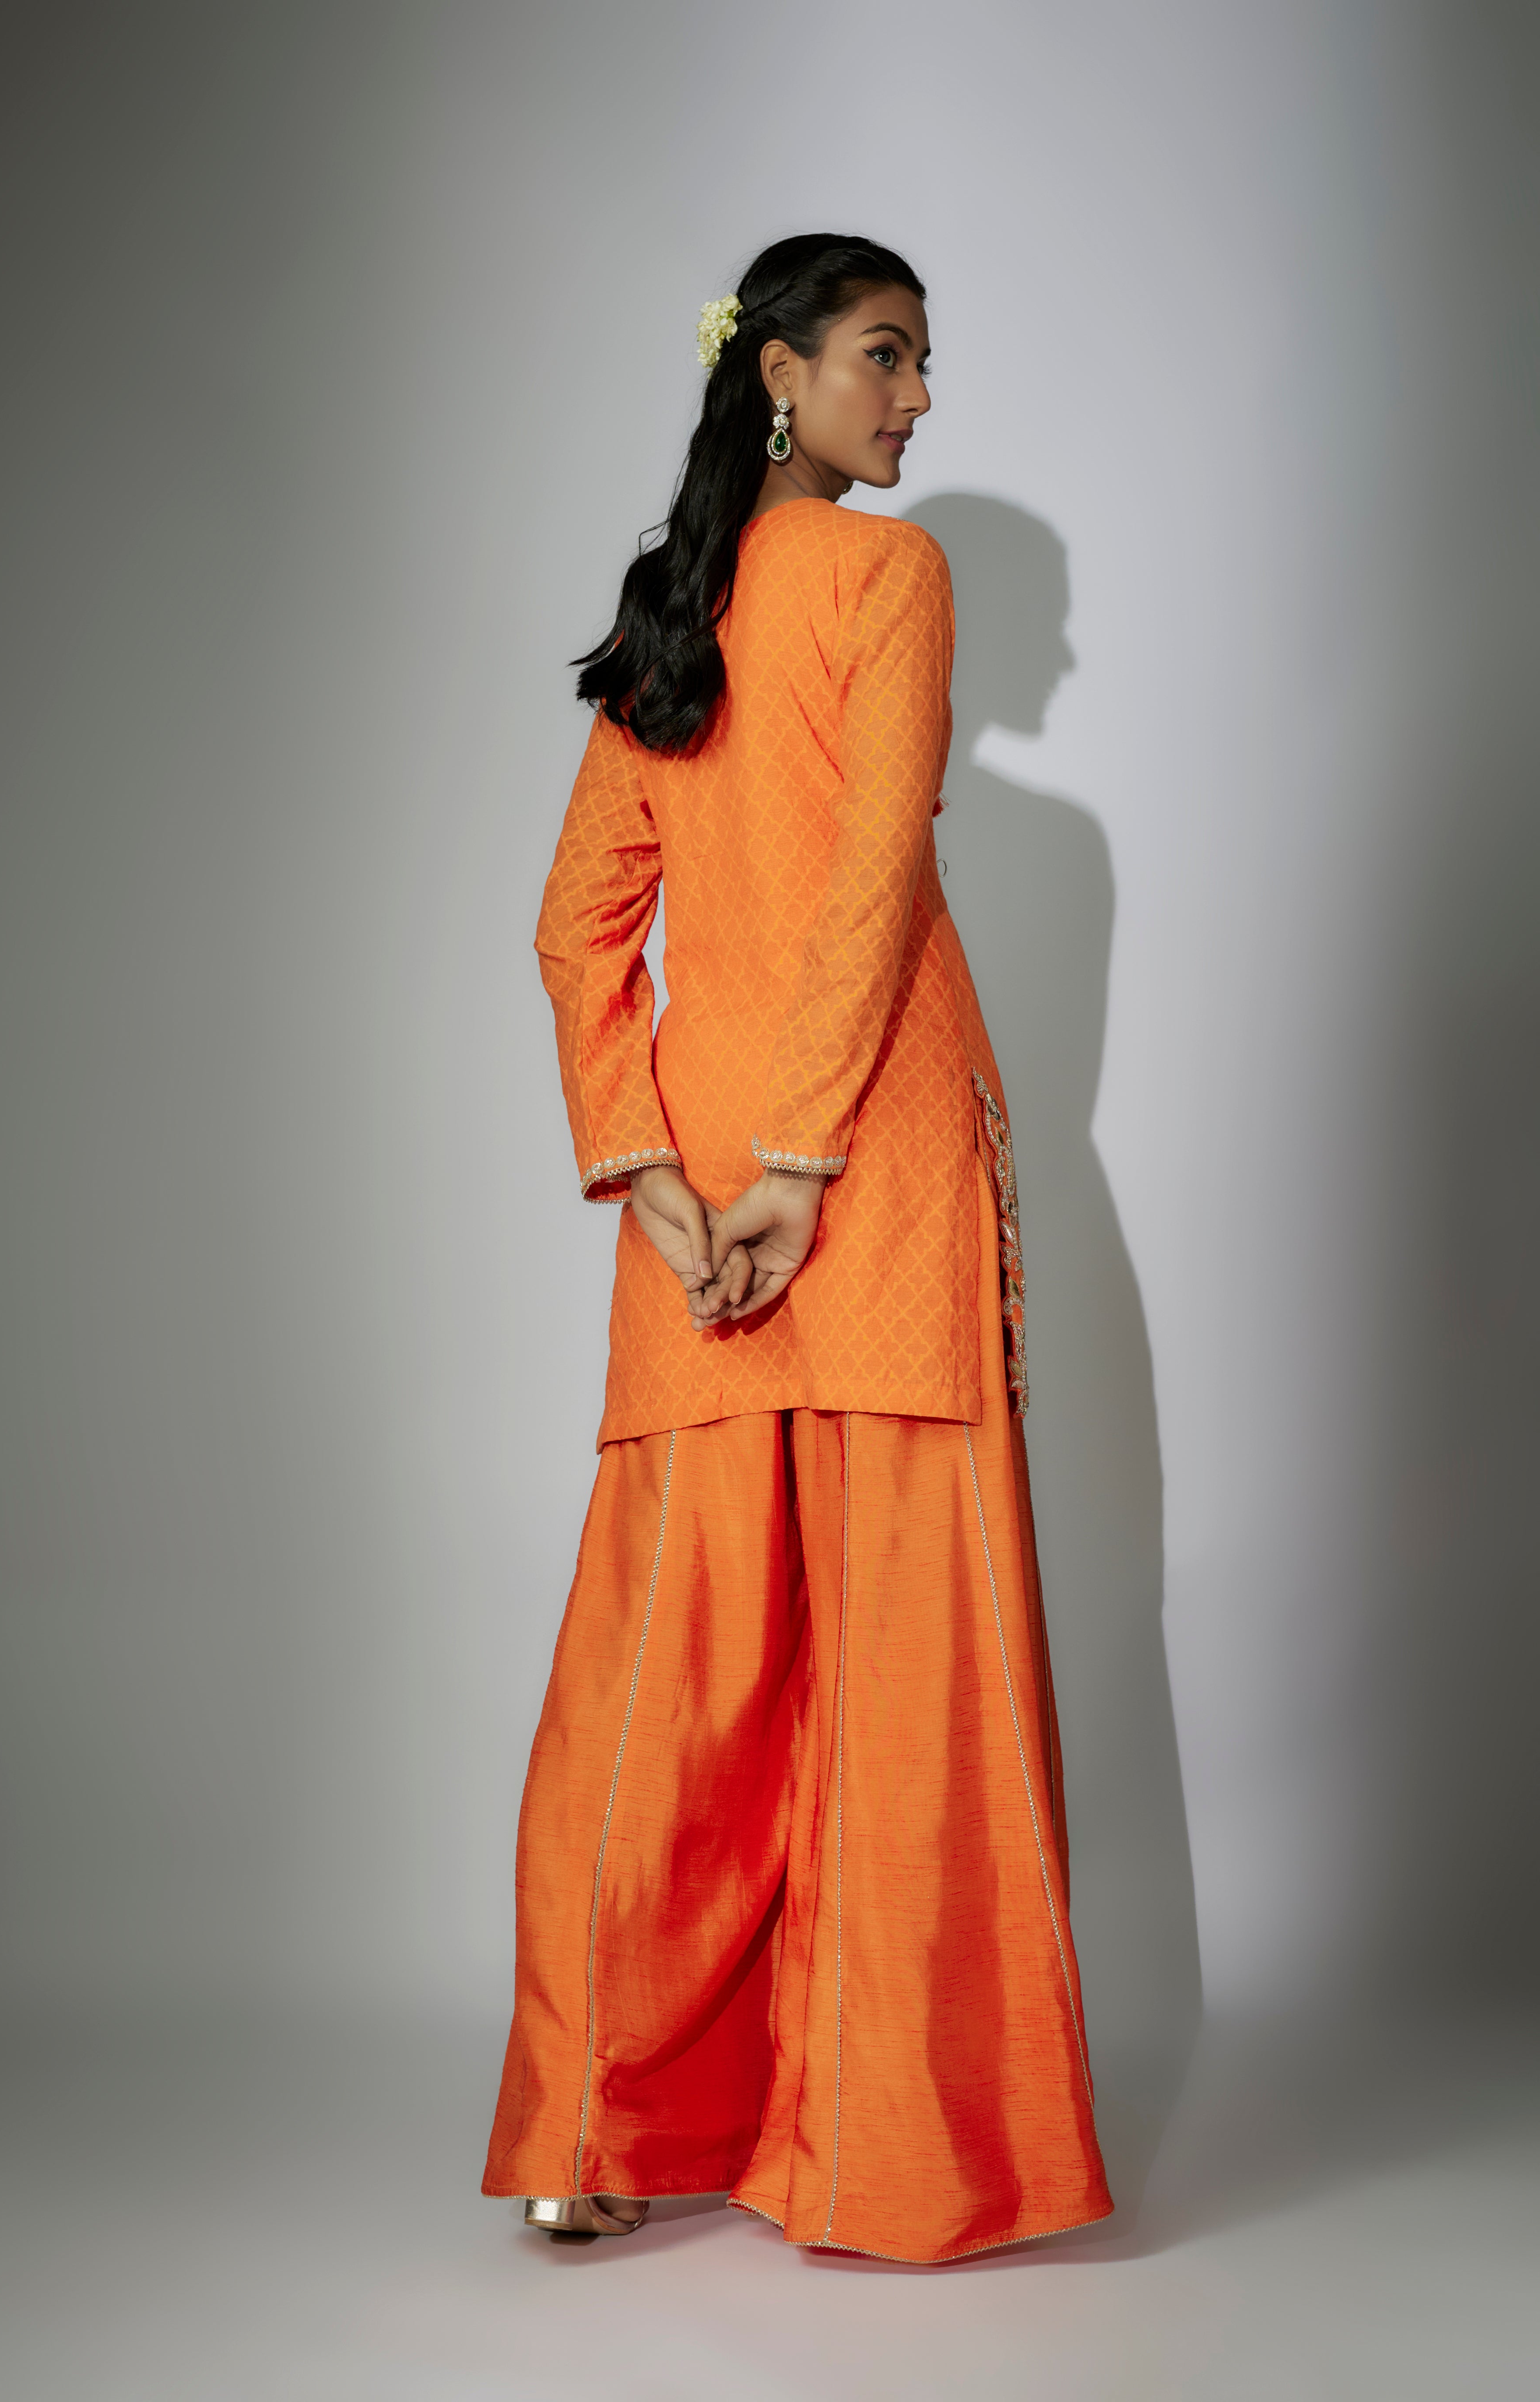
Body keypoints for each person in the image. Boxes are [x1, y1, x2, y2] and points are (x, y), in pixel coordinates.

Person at [481, 234, 1112, 2265]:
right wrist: (803, 1165)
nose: (919, 398)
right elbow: (874, 873)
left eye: (923, 363)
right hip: (869, 1174)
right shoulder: (886, 579)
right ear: (781, 373)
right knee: (907, 1666)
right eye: (887, 357)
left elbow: (579, 927)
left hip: (712, 1188)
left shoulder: (674, 611)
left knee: (667, 1669)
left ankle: (591, 2134)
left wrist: (649, 1168)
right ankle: (881, 2157)